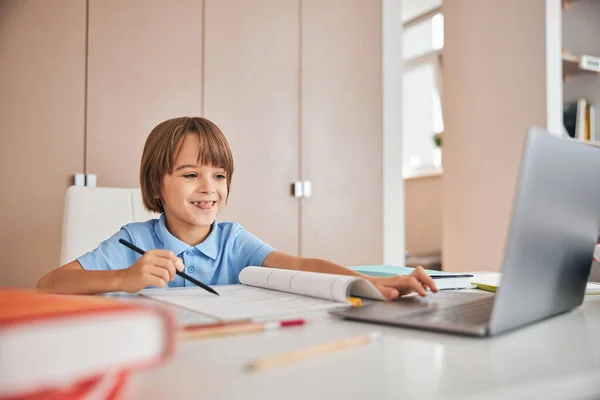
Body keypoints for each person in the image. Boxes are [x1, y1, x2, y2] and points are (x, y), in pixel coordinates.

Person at [38, 117, 437, 299]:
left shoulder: (234, 241)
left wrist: (372, 284)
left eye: (220, 176)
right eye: (190, 175)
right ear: (156, 185)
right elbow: (49, 285)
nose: (209, 189)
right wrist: (124, 278)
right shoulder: (133, 243)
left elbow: (299, 266)